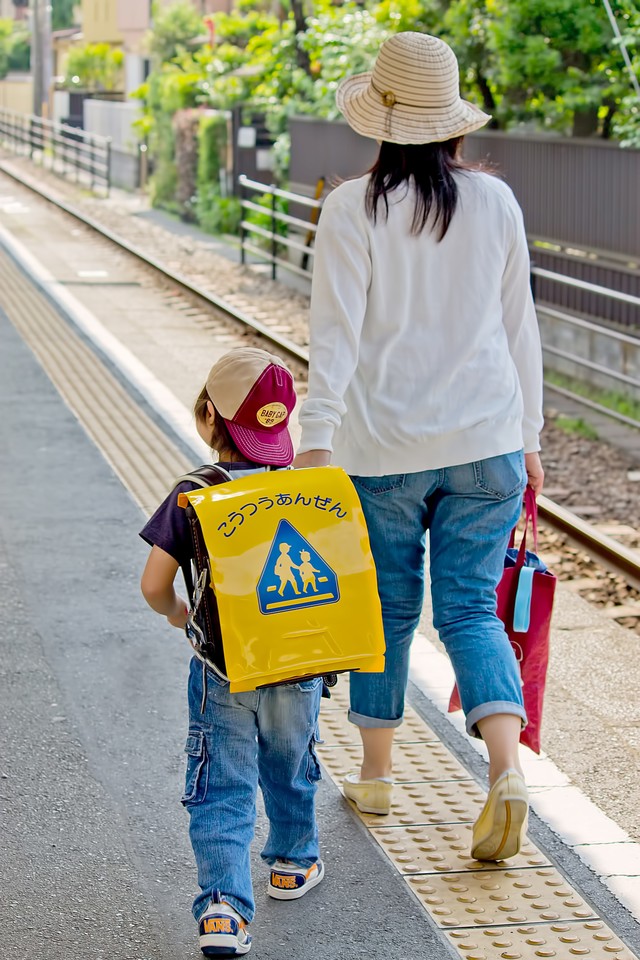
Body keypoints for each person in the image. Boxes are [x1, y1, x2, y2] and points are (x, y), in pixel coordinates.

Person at [295, 31, 544, 863]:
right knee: (471, 609)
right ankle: (505, 771)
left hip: (383, 449)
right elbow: (521, 330)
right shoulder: (497, 204)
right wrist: (530, 439)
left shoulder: (351, 207)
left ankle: (376, 774)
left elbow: (335, 337)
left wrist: (314, 440)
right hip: (488, 442)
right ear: (452, 123)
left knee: (388, 610)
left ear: (381, 121)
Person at [140, 347, 324, 957]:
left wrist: (177, 615)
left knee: (223, 782)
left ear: (211, 417)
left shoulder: (194, 492)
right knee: (290, 760)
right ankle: (293, 863)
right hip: (297, 663)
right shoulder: (305, 490)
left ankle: (223, 909)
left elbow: (153, 585)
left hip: (224, 667)